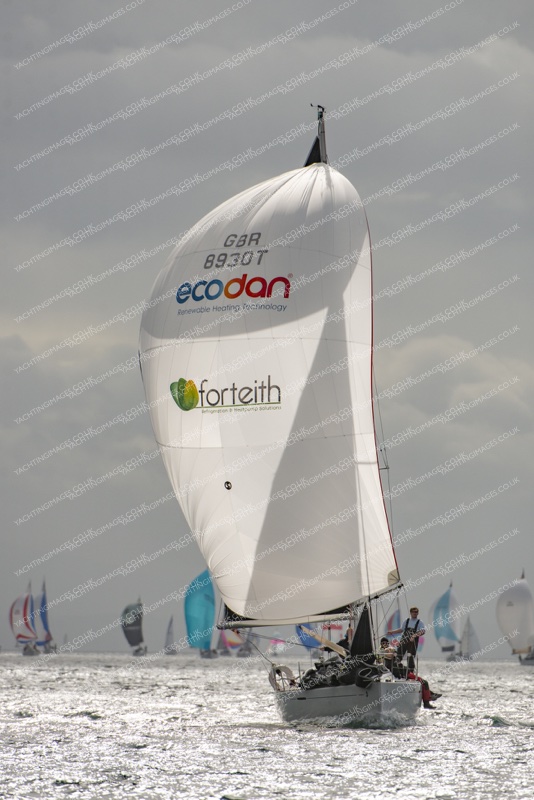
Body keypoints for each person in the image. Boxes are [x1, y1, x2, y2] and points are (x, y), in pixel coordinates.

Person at [388, 606, 425, 671]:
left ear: (418, 613)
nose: (415, 613)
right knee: (399, 654)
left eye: (416, 612)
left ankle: (410, 671)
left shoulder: (420, 622)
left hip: (413, 642)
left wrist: (414, 636)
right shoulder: (406, 621)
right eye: (413, 612)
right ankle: (395, 669)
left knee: (410, 656)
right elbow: (401, 629)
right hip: (404, 640)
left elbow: (423, 631)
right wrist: (392, 632)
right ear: (410, 613)